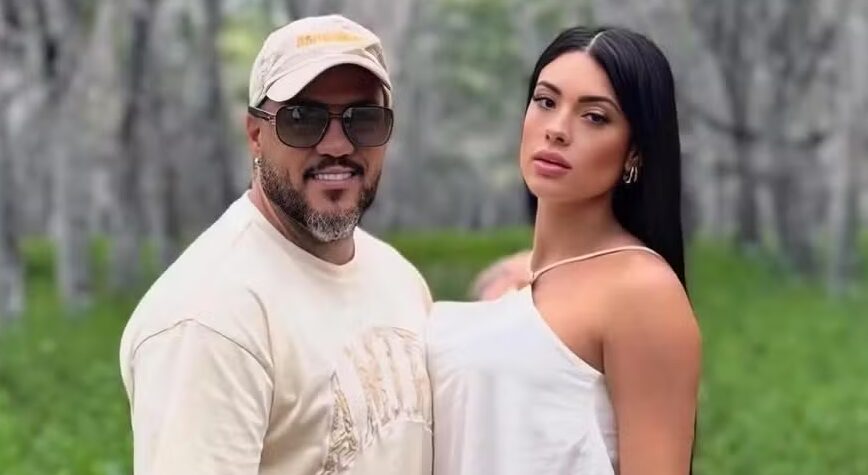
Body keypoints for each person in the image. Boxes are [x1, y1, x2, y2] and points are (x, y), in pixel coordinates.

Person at [119, 15, 433, 475]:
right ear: (256, 135)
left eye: (363, 119)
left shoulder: (399, 278)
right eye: (303, 120)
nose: (338, 145)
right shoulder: (210, 317)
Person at [428, 26, 701, 475]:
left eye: (594, 117)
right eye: (545, 101)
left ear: (634, 152)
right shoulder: (516, 284)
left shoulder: (642, 291)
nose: (556, 130)